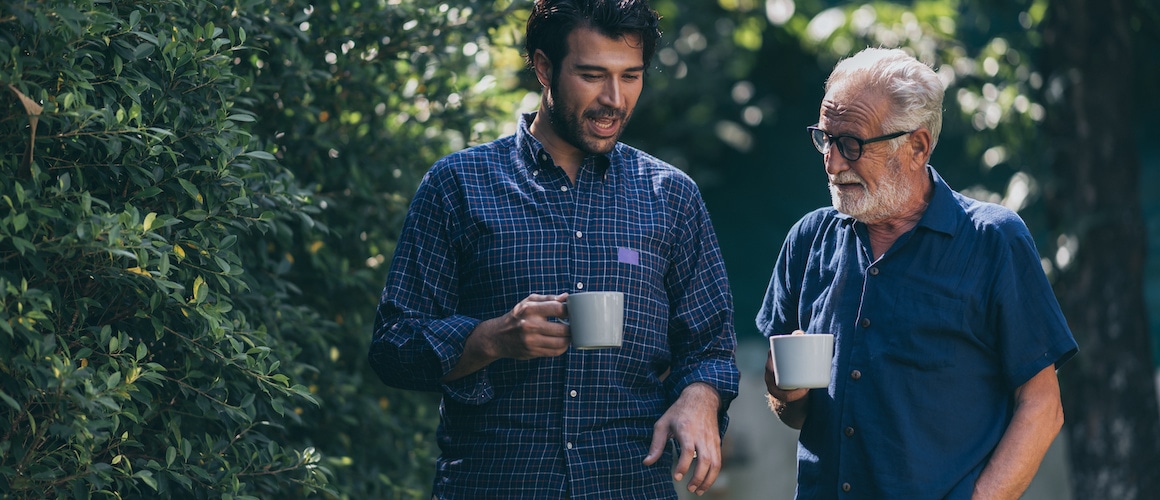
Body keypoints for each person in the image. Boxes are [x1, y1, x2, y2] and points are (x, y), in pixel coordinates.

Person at [368, 1, 740, 498]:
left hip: (628, 485)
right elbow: (393, 348)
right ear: (544, 67)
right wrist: (493, 339)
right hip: (495, 486)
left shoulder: (671, 196)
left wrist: (701, 396)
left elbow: (710, 347)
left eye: (630, 76)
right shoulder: (458, 184)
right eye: (591, 75)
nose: (614, 98)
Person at [757, 47, 1078, 499]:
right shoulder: (809, 240)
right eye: (825, 139)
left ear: (917, 146)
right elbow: (795, 413)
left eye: (851, 144)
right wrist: (782, 389)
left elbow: (1043, 405)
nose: (831, 162)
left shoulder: (992, 240)